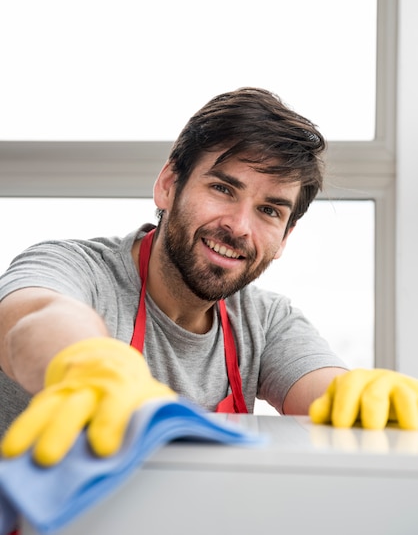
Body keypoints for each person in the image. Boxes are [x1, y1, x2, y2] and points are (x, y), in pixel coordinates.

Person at [0, 87, 417, 467]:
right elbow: (30, 319)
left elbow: (325, 395)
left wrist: (357, 401)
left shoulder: (266, 321)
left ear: (286, 237)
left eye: (269, 210)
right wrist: (81, 362)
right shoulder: (78, 268)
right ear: (168, 185)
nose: (239, 227)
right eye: (223, 189)